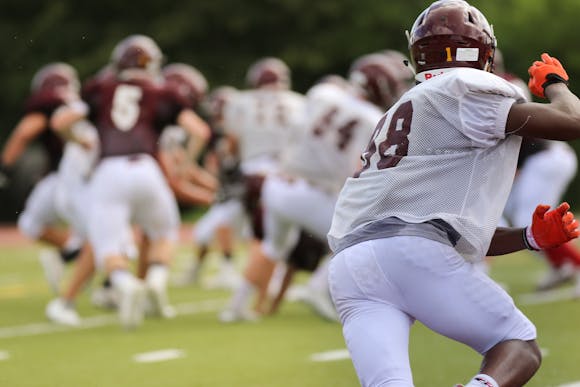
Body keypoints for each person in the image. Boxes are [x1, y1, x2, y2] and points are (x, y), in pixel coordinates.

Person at [326, 1, 580, 386]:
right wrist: (554, 83)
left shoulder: (402, 109)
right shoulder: (464, 86)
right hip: (411, 251)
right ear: (483, 51)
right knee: (517, 344)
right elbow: (571, 122)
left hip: (351, 265)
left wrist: (529, 237)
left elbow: (433, 226)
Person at [51, 34, 210, 329]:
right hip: (146, 167)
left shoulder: (101, 88)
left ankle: (124, 284)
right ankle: (156, 279)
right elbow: (199, 131)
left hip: (107, 172)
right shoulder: (162, 90)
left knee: (108, 245)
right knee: (165, 232)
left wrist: (76, 141)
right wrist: (187, 164)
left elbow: (61, 122)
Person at [1, 63, 88, 295]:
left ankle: (76, 252)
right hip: (92, 177)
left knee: (31, 223)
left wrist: (5, 169)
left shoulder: (49, 102)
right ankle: (75, 251)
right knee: (100, 232)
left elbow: (24, 132)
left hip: (65, 178)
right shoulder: (84, 101)